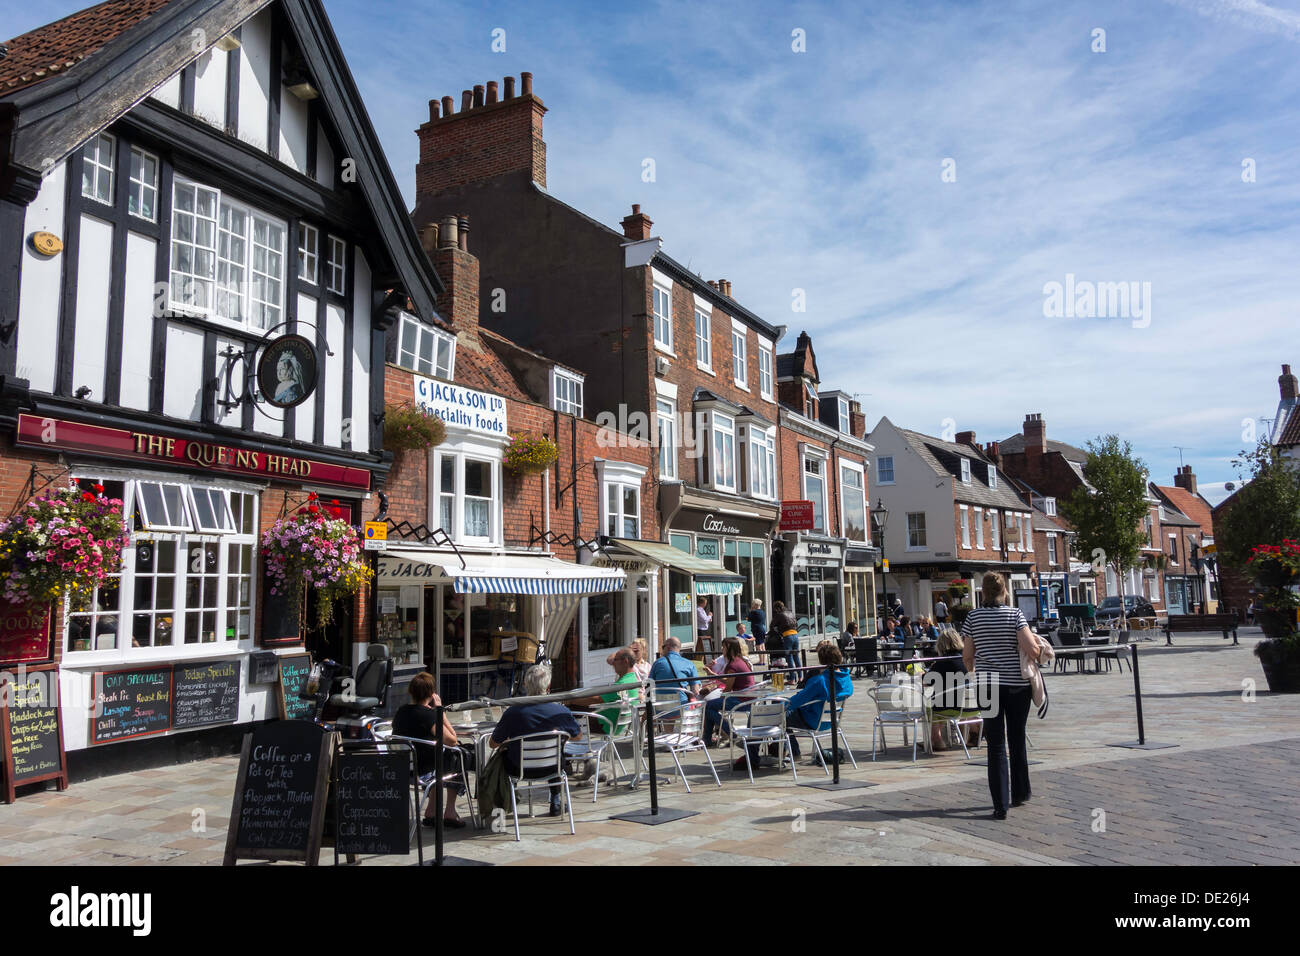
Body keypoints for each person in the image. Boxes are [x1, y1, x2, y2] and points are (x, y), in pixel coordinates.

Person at [962, 572, 1034, 820]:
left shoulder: (973, 617)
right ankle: (1020, 793)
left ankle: (999, 804)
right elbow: (1031, 648)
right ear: (1004, 591)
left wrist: (976, 666)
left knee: (995, 744)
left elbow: (967, 655)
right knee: (1016, 739)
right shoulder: (1015, 615)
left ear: (983, 592)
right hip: (1016, 685)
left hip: (987, 685)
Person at [489, 663, 581, 817]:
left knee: (504, 754)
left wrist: (509, 741)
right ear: (549, 685)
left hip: (519, 768)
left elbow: (493, 743)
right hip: (553, 767)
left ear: (525, 684)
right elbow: (578, 736)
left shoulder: (513, 712)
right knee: (556, 752)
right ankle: (556, 801)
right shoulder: (560, 711)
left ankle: (508, 800)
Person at [391, 671, 469, 828]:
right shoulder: (428, 716)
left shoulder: (401, 712)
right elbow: (452, 739)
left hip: (403, 767)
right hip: (424, 770)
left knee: (440, 755)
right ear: (431, 693)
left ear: (411, 691)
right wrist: (440, 711)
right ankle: (450, 812)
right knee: (459, 755)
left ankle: (432, 810)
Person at [782, 640, 853, 761]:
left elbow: (798, 700)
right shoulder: (846, 679)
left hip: (813, 720)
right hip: (832, 721)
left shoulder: (820, 681)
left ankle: (789, 752)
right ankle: (789, 751)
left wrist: (781, 704)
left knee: (779, 715)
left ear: (821, 661)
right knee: (781, 714)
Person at [928, 627, 976, 751]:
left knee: (929, 707)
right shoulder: (966, 660)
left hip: (950, 709)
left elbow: (927, 682)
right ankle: (976, 731)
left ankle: (936, 739)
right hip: (972, 708)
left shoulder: (941, 663)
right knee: (945, 700)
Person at [704, 637, 756, 748]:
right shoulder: (741, 660)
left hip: (741, 700)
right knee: (710, 706)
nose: (722, 648)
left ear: (729, 649)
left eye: (723, 646)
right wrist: (713, 674)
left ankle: (729, 732)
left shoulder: (733, 665)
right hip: (748, 697)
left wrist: (713, 677)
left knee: (708, 706)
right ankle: (707, 739)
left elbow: (728, 687)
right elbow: (729, 680)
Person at [584, 647, 641, 732]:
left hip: (607, 725)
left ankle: (563, 739)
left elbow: (596, 699)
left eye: (615, 660)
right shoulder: (633, 679)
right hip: (621, 725)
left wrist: (571, 700)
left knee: (571, 712)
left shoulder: (622, 685)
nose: (613, 663)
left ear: (625, 661)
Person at [648, 636, 700, 701]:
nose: (662, 650)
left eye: (663, 647)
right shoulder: (689, 664)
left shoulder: (658, 663)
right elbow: (695, 691)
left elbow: (649, 685)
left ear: (668, 647)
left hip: (660, 707)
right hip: (682, 706)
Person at [770, 599, 801, 682]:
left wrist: (775, 632)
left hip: (788, 636)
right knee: (796, 656)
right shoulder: (791, 613)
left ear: (777, 608)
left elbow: (772, 626)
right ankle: (801, 677)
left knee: (789, 657)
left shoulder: (779, 615)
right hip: (795, 635)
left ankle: (792, 678)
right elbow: (796, 624)